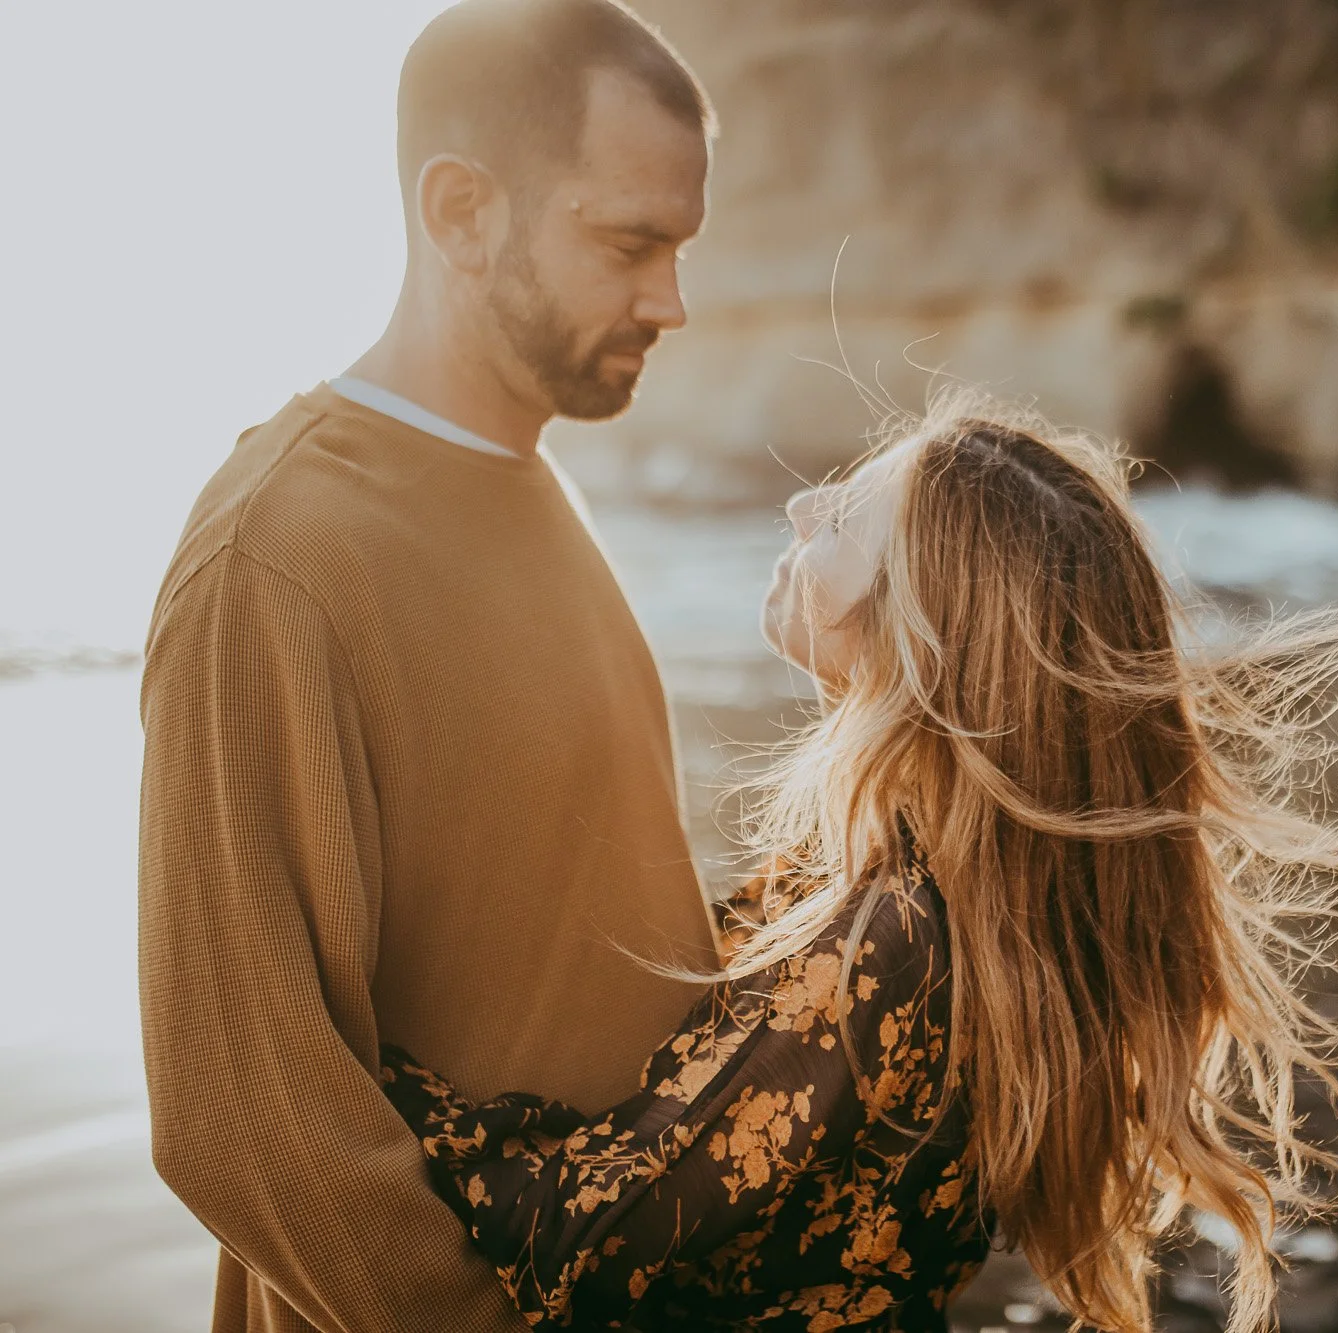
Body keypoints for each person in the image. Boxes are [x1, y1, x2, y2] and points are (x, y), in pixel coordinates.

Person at [381, 394, 1338, 1333]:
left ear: (924, 633)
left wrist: (346, 1039)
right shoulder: (954, 899)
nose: (802, 509)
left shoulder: (887, 936)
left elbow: (572, 1236)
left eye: (845, 515)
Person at [136, 3, 719, 1330]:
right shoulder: (274, 559)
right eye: (630, 243)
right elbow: (239, 1111)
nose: (672, 300)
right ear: (460, 213)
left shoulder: (534, 488)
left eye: (681, 247)